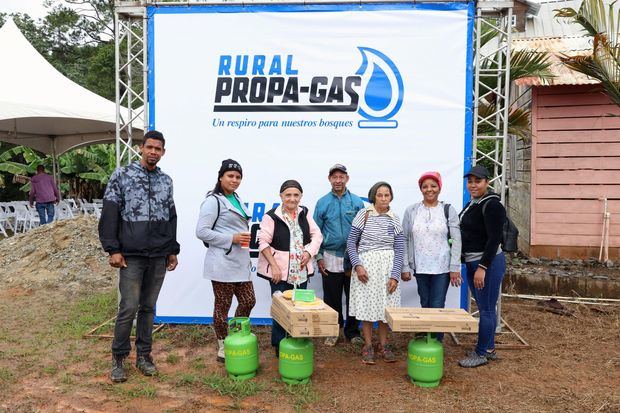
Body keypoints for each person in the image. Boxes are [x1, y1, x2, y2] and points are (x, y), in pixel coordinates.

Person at [99, 130, 180, 383]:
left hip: (158, 255)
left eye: (158, 149)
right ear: (140, 148)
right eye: (150, 147)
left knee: (148, 308)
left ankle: (144, 356)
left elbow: (171, 218)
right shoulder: (122, 176)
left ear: (163, 152)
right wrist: (112, 248)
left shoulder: (166, 181)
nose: (153, 152)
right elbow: (110, 213)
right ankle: (118, 359)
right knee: (128, 308)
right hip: (131, 256)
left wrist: (172, 250)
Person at [196, 159, 256, 363]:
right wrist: (231, 238)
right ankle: (222, 343)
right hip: (222, 263)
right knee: (222, 306)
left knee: (249, 301)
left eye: (238, 177)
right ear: (221, 177)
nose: (235, 180)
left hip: (240, 262)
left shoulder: (236, 198)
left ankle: (236, 335)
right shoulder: (213, 201)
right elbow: (201, 232)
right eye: (230, 176)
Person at [257, 180, 323, 356]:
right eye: (288, 195)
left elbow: (317, 235)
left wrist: (309, 252)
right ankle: (280, 347)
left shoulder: (305, 213)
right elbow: (262, 242)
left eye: (296, 195)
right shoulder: (271, 216)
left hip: (300, 272)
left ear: (301, 196)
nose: (292, 199)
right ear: (281, 196)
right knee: (281, 311)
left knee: (300, 308)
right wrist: (274, 267)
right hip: (279, 273)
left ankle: (296, 342)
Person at [346, 182, 404, 364]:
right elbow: (350, 243)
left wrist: (395, 275)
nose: (384, 198)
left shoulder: (394, 218)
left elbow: (400, 248)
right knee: (367, 307)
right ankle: (368, 346)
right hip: (366, 268)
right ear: (374, 197)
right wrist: (358, 266)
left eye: (387, 195)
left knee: (385, 309)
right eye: (380, 195)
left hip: (387, 268)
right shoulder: (364, 214)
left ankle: (384, 345)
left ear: (391, 197)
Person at [401, 171, 462, 342]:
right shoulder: (412, 210)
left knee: (437, 306)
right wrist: (405, 266)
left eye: (433, 186)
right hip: (420, 267)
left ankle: (436, 344)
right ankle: (427, 337)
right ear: (420, 189)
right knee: (425, 304)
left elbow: (457, 239)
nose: (429, 190)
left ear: (439, 188)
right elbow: (404, 239)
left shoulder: (447, 210)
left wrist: (454, 267)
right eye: (425, 186)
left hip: (442, 267)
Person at [458, 165, 506, 368]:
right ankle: (490, 348)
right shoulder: (474, 203)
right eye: (470, 181)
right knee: (484, 306)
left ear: (487, 182)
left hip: (487, 263)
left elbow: (494, 239)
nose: (473, 185)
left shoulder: (493, 205)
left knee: (486, 309)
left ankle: (481, 353)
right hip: (473, 262)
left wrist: (483, 267)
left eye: (477, 181)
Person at [313, 164, 365, 346]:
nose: (338, 180)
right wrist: (318, 257)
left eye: (341, 177)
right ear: (329, 179)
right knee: (332, 297)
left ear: (347, 179)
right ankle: (333, 331)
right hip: (330, 256)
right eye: (334, 177)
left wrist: (361, 258)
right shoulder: (322, 203)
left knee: (354, 296)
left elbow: (364, 231)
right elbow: (315, 233)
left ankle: (352, 332)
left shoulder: (357, 202)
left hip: (353, 256)